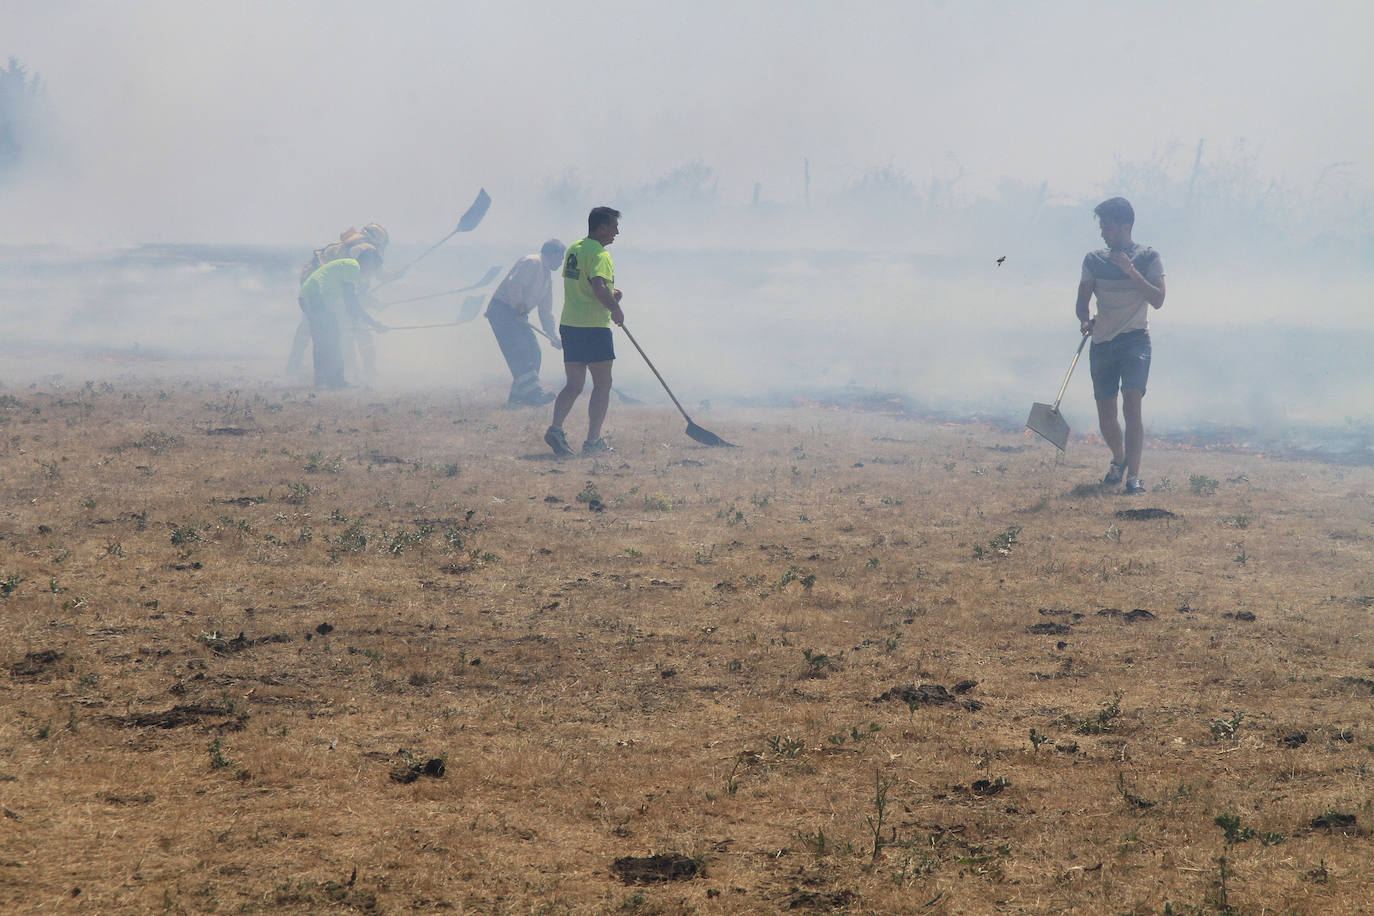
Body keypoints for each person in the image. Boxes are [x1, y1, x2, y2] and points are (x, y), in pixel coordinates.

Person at [1075, 197, 1167, 494]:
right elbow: (1082, 301)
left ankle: (1134, 478)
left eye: (1109, 228)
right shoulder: (1093, 259)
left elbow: (1158, 299)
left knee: (1132, 405)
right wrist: (1084, 320)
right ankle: (1119, 459)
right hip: (1102, 342)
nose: (1103, 233)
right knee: (1106, 415)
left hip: (1134, 340)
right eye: (1102, 227)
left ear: (1127, 227)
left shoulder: (1148, 257)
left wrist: (1130, 270)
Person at [545, 207, 623, 456]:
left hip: (571, 324)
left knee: (574, 385)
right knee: (603, 384)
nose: (616, 232)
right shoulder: (601, 254)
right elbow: (598, 286)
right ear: (601, 227)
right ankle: (592, 442)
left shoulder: (575, 249)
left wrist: (612, 295)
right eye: (613, 227)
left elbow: (586, 284)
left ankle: (555, 429)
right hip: (594, 327)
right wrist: (615, 308)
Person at [287, 223, 390, 381]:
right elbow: (352, 299)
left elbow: (354, 294)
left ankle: (326, 375)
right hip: (317, 293)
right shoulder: (357, 257)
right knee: (327, 329)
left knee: (330, 330)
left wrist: (372, 306)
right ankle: (331, 375)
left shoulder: (359, 256)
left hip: (319, 291)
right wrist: (373, 322)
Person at [486, 239, 566, 406]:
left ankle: (518, 399)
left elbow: (545, 311)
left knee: (534, 352)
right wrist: (519, 308)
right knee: (520, 352)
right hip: (503, 311)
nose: (561, 262)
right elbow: (515, 284)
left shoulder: (547, 279)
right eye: (561, 257)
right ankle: (535, 394)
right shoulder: (532, 261)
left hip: (517, 315)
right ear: (553, 255)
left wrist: (552, 336)